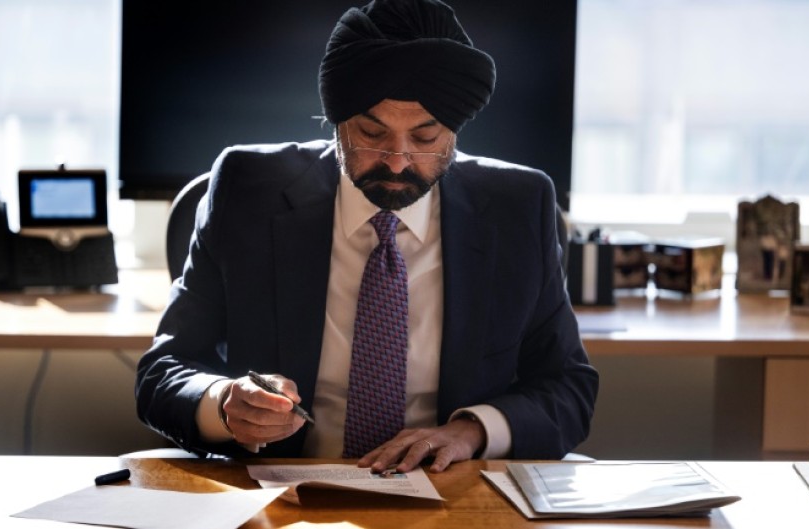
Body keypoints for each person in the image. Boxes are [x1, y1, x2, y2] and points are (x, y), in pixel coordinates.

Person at [136, 0, 598, 474]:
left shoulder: (518, 206)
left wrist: (470, 432)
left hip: (451, 494)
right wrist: (224, 403)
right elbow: (162, 373)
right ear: (336, 122)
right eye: (371, 132)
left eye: (424, 138)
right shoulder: (247, 188)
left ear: (455, 130)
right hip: (286, 494)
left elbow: (567, 387)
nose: (397, 160)